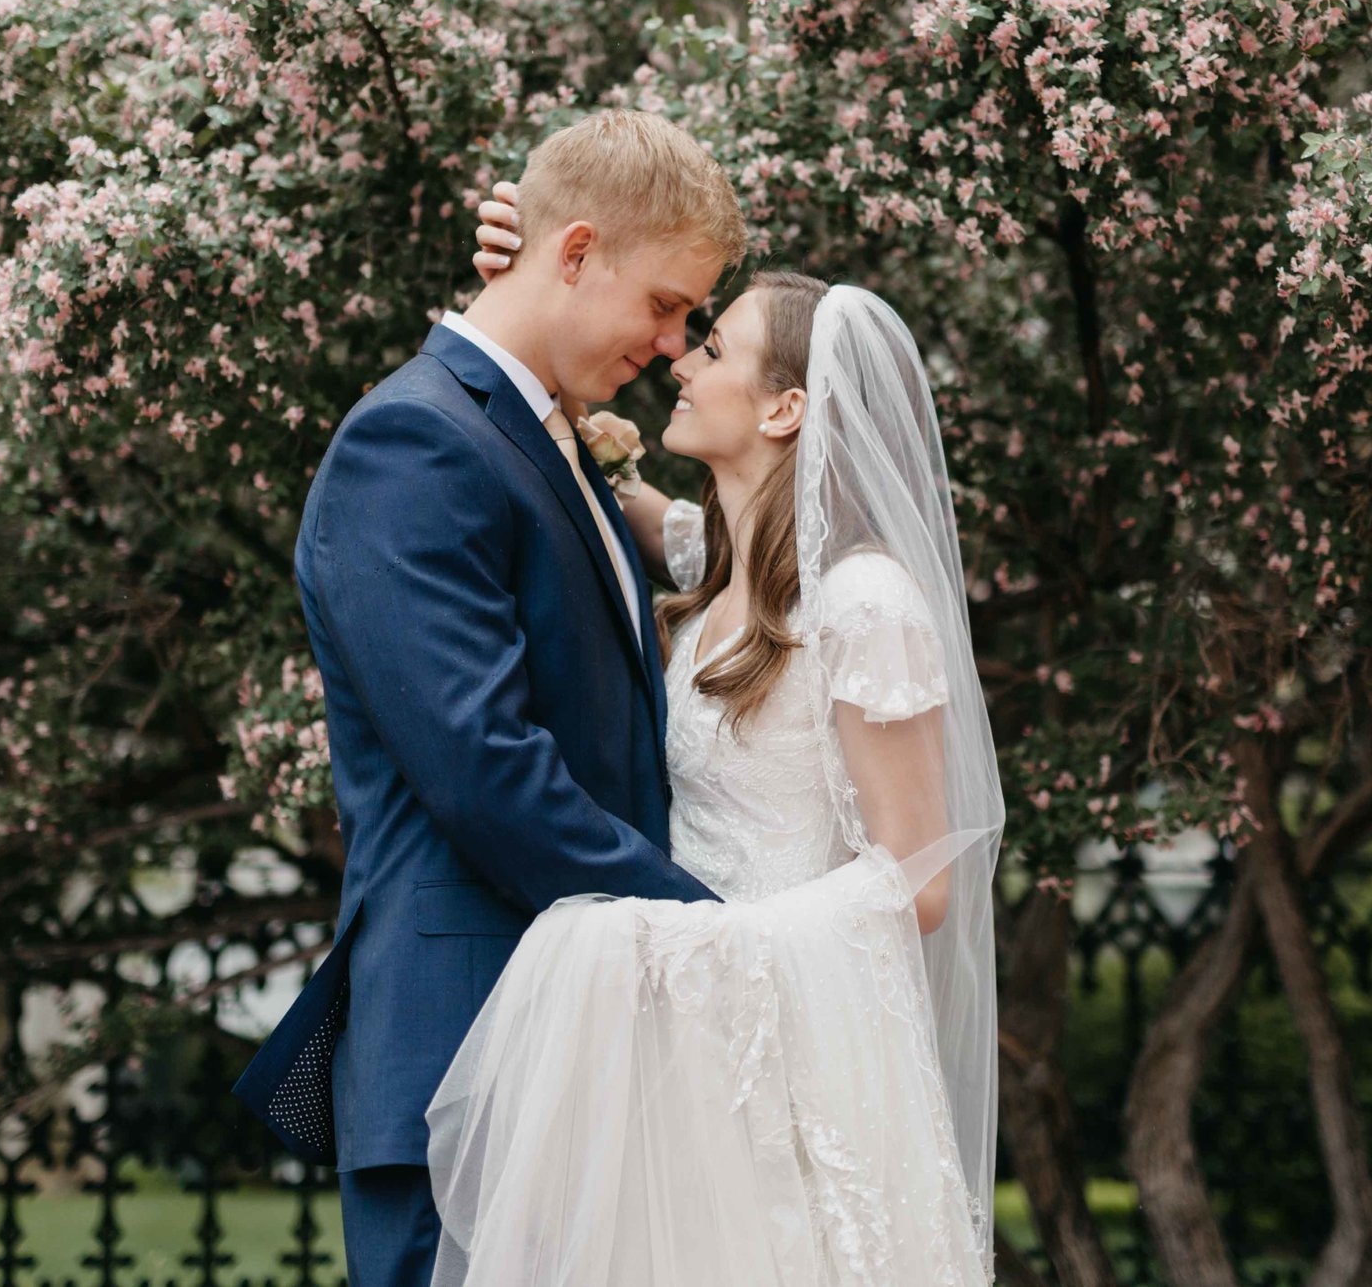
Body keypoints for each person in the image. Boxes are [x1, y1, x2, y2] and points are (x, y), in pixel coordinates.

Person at [419, 190, 1004, 1286]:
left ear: (783, 409)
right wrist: (522, 262)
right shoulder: (714, 564)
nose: (678, 360)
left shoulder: (862, 600)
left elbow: (918, 877)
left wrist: (716, 947)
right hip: (683, 1040)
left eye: (714, 345)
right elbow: (559, 441)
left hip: (783, 1034)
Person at [230, 110, 749, 1287]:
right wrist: (711, 930)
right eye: (666, 305)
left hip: (563, 1040)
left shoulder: (534, 429)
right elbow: (483, 763)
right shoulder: (414, 441)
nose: (674, 344)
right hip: (464, 1049)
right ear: (573, 253)